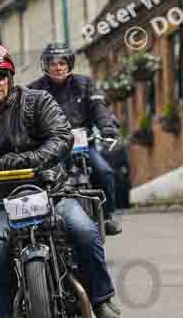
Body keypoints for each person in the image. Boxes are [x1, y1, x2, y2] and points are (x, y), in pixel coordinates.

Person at [0, 43, 125, 318]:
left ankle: (101, 302)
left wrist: (29, 159)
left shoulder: (38, 101)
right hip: (9, 201)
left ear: (9, 77)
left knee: (84, 231)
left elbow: (61, 136)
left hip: (53, 192)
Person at [27, 43, 122, 235]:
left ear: (69, 64)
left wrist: (106, 127)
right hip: (54, 149)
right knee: (45, 180)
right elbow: (26, 118)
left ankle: (107, 216)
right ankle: (44, 220)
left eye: (62, 63)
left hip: (85, 145)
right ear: (46, 66)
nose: (58, 67)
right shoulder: (34, 90)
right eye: (53, 63)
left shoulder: (85, 84)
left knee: (104, 172)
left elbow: (99, 107)